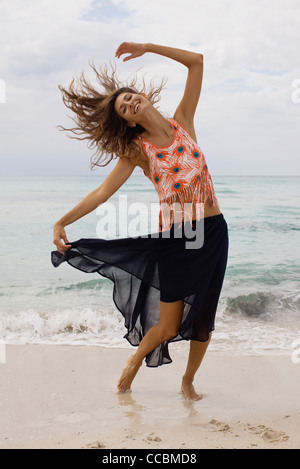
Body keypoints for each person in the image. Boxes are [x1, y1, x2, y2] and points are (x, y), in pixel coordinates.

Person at [51, 42, 229, 401]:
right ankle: (134, 361)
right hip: (179, 237)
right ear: (128, 121)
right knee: (167, 325)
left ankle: (188, 381)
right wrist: (62, 221)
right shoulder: (138, 150)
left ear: (142, 96)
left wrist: (147, 47)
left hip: (213, 230)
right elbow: (103, 192)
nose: (130, 102)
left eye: (131, 96)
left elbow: (196, 62)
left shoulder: (184, 123)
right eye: (123, 107)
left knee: (205, 316)